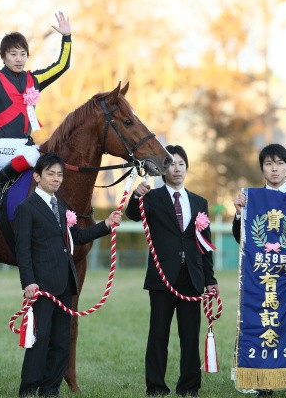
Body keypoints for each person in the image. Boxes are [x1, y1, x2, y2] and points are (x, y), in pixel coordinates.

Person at [15, 152, 121, 397]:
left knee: (62, 339)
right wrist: (28, 281)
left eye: (59, 174)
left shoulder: (61, 206)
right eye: (50, 174)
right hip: (41, 285)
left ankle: (50, 388)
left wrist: (106, 224)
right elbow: (23, 250)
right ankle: (29, 388)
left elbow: (77, 238)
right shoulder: (26, 209)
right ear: (37, 176)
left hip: (65, 283)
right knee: (40, 339)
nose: (55, 179)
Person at [125, 145, 218, 397]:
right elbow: (132, 215)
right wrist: (137, 195)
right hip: (162, 278)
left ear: (187, 168)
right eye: (171, 164)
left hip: (192, 277)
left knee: (190, 337)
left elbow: (205, 245)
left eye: (181, 164)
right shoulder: (152, 198)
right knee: (158, 335)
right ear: (163, 169)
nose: (176, 169)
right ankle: (155, 386)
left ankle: (189, 386)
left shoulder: (199, 202)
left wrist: (210, 280)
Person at [233, 143, 286, 398]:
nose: (274, 169)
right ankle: (264, 384)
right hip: (263, 283)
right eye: (269, 164)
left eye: (279, 163)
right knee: (264, 330)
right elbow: (243, 239)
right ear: (262, 168)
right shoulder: (251, 198)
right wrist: (238, 214)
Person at [0, 11, 72, 208]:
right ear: (4, 57)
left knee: (49, 155)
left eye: (23, 54)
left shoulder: (34, 79)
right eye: (13, 54)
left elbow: (62, 65)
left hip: (24, 146)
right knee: (34, 156)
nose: (19, 58)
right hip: (1, 148)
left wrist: (66, 37)